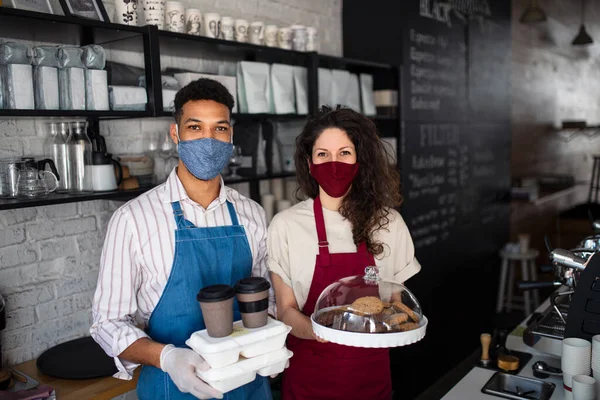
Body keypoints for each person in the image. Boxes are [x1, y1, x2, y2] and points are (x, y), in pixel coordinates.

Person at [91, 78, 275, 400]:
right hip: (170, 389)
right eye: (194, 127)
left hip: (248, 385)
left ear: (231, 136)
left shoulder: (253, 215)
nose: (209, 139)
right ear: (175, 134)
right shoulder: (133, 220)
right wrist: (167, 357)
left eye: (219, 128)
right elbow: (107, 323)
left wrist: (269, 342)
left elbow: (267, 298)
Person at [267, 106, 421, 400]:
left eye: (344, 153)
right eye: (323, 154)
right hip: (308, 380)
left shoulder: (389, 224)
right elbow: (285, 310)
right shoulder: (285, 226)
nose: (333, 163)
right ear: (310, 163)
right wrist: (322, 331)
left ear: (360, 160)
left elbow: (394, 304)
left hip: (371, 380)